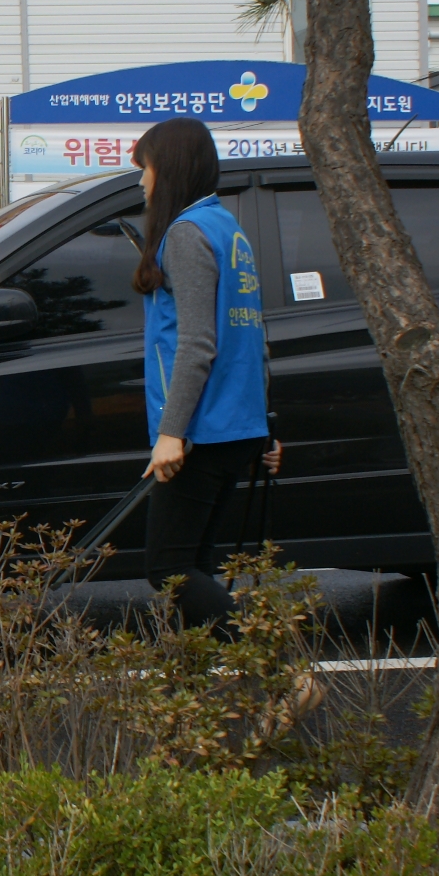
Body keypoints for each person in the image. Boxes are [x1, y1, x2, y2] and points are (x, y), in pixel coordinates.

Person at [132, 118, 282, 628]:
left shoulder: (186, 233)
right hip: (236, 425)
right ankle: (204, 699)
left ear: (168, 170)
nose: (142, 182)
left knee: (168, 569)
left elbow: (197, 343)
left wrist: (171, 433)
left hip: (201, 429)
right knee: (194, 566)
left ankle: (280, 671)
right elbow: (252, 337)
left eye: (145, 169)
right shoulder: (228, 229)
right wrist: (265, 429)